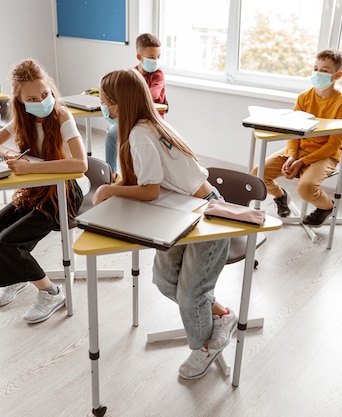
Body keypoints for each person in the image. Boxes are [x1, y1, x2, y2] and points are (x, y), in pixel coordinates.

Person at [94, 68, 236, 380]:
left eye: (106, 102)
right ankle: (221, 315)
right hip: (181, 210)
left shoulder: (141, 134)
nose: (104, 107)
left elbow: (150, 190)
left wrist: (109, 188)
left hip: (206, 213)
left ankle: (204, 345)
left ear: (120, 104)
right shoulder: (148, 126)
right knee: (163, 279)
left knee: (190, 294)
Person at [0, 59, 87, 324]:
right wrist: (9, 152)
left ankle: (52, 292)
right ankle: (16, 277)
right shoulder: (23, 118)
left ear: (50, 89)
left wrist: (31, 170)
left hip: (63, 194)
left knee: (8, 243)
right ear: (20, 99)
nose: (42, 101)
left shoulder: (62, 116)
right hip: (37, 191)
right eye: (33, 98)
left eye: (45, 94)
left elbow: (81, 164)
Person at [252, 48, 342, 227]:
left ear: (337, 75)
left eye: (325, 70)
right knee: (257, 175)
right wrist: (292, 155)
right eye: (316, 68)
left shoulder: (341, 103)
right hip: (299, 149)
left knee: (305, 188)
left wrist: (302, 162)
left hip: (325, 154)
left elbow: (333, 144)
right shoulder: (304, 97)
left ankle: (327, 207)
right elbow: (293, 130)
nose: (318, 73)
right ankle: (281, 196)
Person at [104, 33, 168, 180]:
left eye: (158, 57)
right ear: (139, 57)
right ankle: (111, 172)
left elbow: (152, 94)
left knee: (123, 135)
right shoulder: (132, 73)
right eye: (152, 57)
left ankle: (136, 175)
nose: (156, 60)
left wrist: (130, 98)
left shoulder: (158, 75)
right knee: (112, 133)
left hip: (152, 120)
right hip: (134, 117)